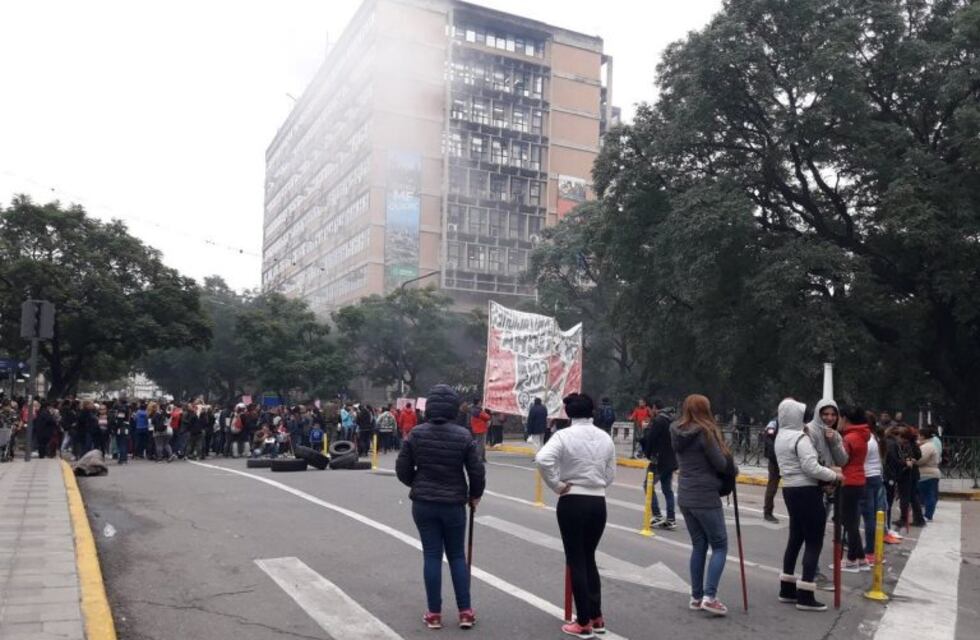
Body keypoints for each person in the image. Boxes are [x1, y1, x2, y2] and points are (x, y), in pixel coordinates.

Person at [396, 385, 485, 631]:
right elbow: (476, 470)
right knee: (457, 555)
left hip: (424, 504)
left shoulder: (416, 434)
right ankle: (465, 612)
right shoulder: (464, 435)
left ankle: (434, 614)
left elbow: (402, 469)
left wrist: (418, 483)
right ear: (454, 408)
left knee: (432, 555)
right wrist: (475, 494)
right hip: (454, 503)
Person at [535, 392, 616, 638]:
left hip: (572, 499)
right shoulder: (605, 437)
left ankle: (582, 622)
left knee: (576, 559)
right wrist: (598, 485)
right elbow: (610, 472)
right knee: (589, 557)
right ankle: (596, 616)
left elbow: (542, 458)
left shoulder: (563, 435)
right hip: (598, 500)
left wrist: (557, 485)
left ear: (569, 413)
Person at [774, 398, 842, 612]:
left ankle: (787, 588)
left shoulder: (780, 436)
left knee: (796, 537)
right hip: (807, 491)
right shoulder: (800, 439)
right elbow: (811, 467)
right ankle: (805, 593)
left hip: (789, 490)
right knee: (814, 541)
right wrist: (835, 476)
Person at [670, 394, 733, 616]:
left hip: (686, 494)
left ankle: (696, 596)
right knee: (720, 545)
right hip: (706, 495)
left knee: (699, 545)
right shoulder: (705, 433)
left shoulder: (676, 431)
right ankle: (710, 596)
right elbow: (720, 463)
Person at [836, 405, 870, 572]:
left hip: (848, 480)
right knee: (852, 521)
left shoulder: (849, 438)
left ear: (846, 419)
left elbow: (842, 460)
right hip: (859, 479)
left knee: (849, 522)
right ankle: (862, 558)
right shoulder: (862, 436)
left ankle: (851, 559)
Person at [641, 400, 677, 530]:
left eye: (650, 410)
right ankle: (671, 518)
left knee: (648, 486)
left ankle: (657, 515)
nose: (649, 413)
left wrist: (647, 452)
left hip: (658, 460)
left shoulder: (658, 421)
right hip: (671, 460)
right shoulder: (673, 420)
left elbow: (651, 439)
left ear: (655, 408)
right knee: (667, 489)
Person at [860, 412, 889, 561]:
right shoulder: (876, 438)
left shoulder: (867, 440)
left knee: (868, 516)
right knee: (872, 514)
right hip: (875, 477)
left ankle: (870, 550)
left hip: (867, 478)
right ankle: (870, 548)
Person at [916, 425, 940, 522]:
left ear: (923, 436)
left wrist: (913, 460)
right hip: (929, 473)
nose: (918, 437)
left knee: (928, 495)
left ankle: (928, 515)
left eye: (919, 435)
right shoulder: (929, 445)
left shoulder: (927, 446)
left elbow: (920, 459)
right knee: (928, 495)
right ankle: (926, 514)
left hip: (927, 474)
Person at [763, 417, 780, 523]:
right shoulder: (774, 423)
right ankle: (768, 513)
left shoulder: (794, 422)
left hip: (789, 460)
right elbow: (768, 438)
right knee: (772, 487)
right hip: (775, 460)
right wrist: (776, 452)